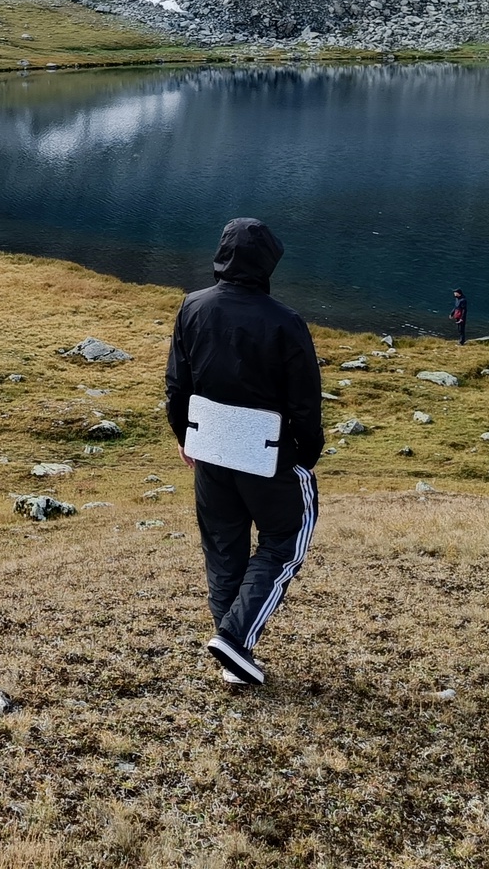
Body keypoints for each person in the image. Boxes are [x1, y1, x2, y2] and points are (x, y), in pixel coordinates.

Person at [165, 218, 322, 688]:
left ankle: (232, 646)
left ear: (222, 254)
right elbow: (304, 405)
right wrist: (306, 456)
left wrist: (185, 437)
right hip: (265, 451)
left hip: (210, 448)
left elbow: (178, 385)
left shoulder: (192, 306)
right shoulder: (286, 322)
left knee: (223, 547)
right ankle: (234, 638)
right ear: (267, 263)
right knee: (285, 539)